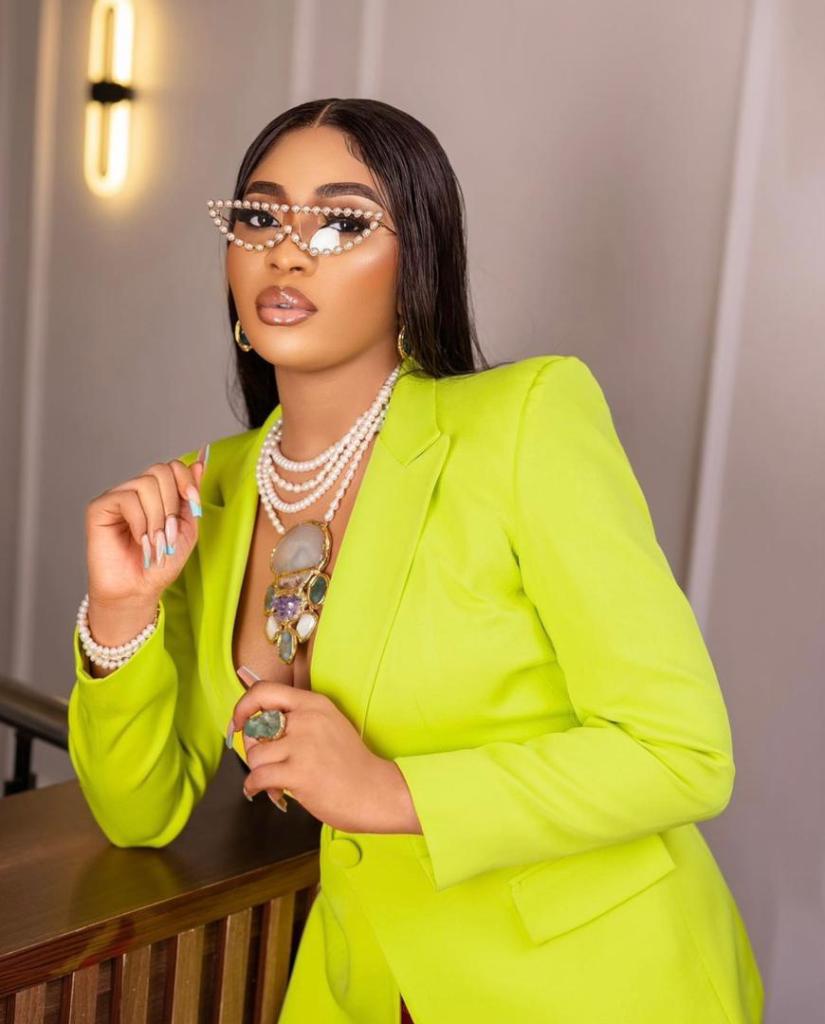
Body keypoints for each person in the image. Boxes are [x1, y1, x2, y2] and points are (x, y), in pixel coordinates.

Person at [68, 97, 764, 1023]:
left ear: (417, 264)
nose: (287, 252)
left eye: (343, 222)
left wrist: (391, 790)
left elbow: (682, 754)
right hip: (361, 984)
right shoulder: (214, 491)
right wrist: (120, 616)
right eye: (260, 217)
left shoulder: (524, 422)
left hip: (591, 983)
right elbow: (139, 811)